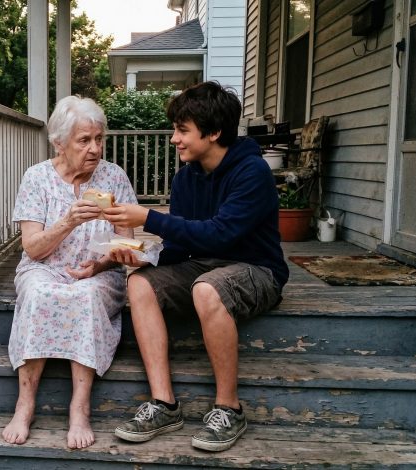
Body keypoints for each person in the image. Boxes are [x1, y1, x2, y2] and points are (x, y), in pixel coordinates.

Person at [103, 81, 288, 452]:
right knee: (140, 283)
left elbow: (220, 235)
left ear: (214, 132)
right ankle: (164, 403)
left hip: (255, 269)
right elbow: (183, 244)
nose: (174, 139)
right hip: (203, 264)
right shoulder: (186, 176)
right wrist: (147, 257)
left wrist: (148, 218)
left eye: (182, 130)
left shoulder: (252, 172)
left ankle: (229, 408)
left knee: (207, 289)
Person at [1, 95, 138, 449]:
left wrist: (103, 263)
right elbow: (32, 248)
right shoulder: (37, 178)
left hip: (96, 275)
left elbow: (127, 244)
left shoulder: (114, 178)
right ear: (60, 143)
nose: (95, 148)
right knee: (37, 292)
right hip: (43, 268)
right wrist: (67, 221)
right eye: (84, 140)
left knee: (86, 295)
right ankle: (25, 403)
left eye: (99, 138)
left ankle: (80, 408)